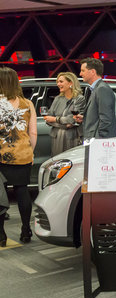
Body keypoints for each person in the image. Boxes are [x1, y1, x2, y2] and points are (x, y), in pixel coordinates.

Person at [0, 67, 37, 246]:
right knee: (22, 191)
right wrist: (30, 151)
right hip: (22, 154)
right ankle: (25, 230)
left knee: (0, 194)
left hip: (1, 156)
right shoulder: (27, 103)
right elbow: (33, 133)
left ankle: (1, 235)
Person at [43, 72, 85, 156]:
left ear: (70, 83)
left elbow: (73, 119)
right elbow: (48, 119)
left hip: (72, 137)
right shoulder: (57, 99)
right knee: (56, 161)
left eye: (61, 81)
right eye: (57, 82)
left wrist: (55, 119)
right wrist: (65, 125)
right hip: (56, 137)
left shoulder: (79, 99)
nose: (58, 84)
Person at [74, 57, 116, 139]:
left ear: (93, 72)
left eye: (83, 71)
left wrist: (98, 141)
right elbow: (98, 115)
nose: (80, 74)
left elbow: (106, 119)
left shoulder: (102, 89)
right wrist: (85, 118)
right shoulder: (97, 88)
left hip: (99, 140)